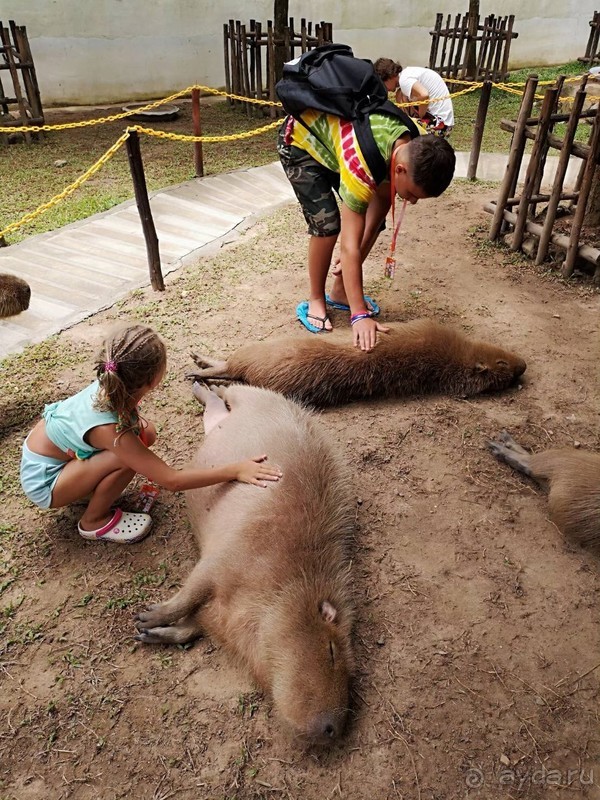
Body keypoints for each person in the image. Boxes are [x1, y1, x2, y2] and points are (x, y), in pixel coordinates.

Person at [20, 323, 282, 544]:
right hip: (45, 482)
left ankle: (86, 487)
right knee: (126, 457)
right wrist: (236, 470)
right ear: (153, 379)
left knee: (146, 434)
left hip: (58, 457)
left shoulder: (112, 382)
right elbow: (172, 481)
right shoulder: (111, 430)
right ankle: (93, 521)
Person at [277, 108, 455, 352]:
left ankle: (341, 293)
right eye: (412, 195)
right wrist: (359, 315)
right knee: (327, 224)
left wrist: (357, 257)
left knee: (373, 223)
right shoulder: (362, 165)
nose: (411, 202)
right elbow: (348, 246)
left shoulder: (419, 144)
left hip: (341, 145)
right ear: (400, 169)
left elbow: (381, 203)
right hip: (301, 142)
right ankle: (316, 298)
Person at [374, 58, 454, 138]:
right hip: (444, 121)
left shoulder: (404, 80)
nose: (386, 89)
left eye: (383, 85)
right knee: (400, 94)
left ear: (389, 76)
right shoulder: (406, 74)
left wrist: (420, 116)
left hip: (440, 124)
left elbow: (424, 95)